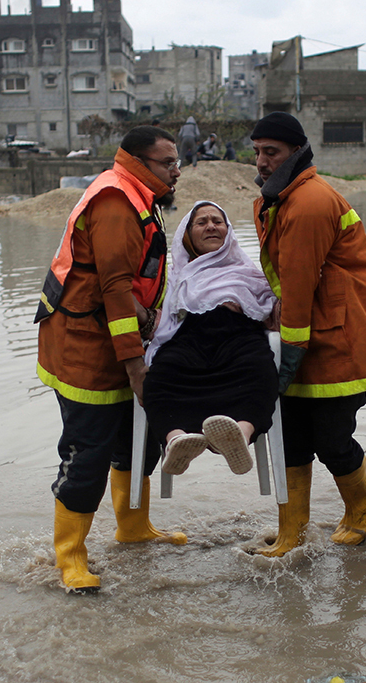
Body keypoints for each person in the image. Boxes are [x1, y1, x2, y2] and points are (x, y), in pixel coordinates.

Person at [33, 125, 186, 593]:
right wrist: (136, 365)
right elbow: (115, 289)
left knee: (136, 443)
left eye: (177, 162)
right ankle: (71, 559)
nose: (177, 170)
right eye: (168, 163)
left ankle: (133, 527)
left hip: (116, 342)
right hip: (86, 349)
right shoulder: (117, 201)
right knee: (88, 454)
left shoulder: (141, 197)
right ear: (139, 162)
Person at [248, 112, 366, 557]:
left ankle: (364, 505)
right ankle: (292, 531)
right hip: (306, 337)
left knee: (332, 439)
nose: (261, 162)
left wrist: (288, 354)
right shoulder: (280, 200)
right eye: (256, 153)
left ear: (295, 151)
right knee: (291, 437)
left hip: (337, 343)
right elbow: (284, 283)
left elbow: (298, 282)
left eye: (270, 152)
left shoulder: (309, 202)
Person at [143, 202, 278, 476]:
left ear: (228, 231)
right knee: (159, 377)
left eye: (217, 221)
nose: (211, 226)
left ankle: (239, 435)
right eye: (201, 222)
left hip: (239, 339)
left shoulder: (248, 271)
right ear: (188, 235)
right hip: (188, 341)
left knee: (261, 370)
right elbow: (163, 313)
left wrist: (247, 304)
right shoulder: (175, 275)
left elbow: (270, 309)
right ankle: (177, 440)